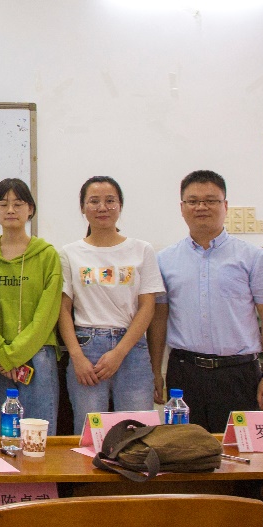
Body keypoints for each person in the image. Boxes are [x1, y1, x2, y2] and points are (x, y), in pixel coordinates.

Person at [147, 170, 263, 432]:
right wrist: (155, 372)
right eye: (193, 201)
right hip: (184, 374)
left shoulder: (254, 258)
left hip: (238, 373)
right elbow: (158, 321)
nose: (201, 207)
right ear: (182, 208)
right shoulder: (164, 260)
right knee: (185, 449)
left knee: (239, 449)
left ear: (225, 205)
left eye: (210, 200)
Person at [58, 176, 163, 434]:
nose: (102, 207)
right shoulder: (69, 253)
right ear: (83, 208)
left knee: (139, 433)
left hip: (132, 348)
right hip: (86, 349)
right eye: (94, 201)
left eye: (110, 201)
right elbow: (63, 310)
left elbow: (148, 307)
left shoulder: (142, 249)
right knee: (90, 433)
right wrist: (77, 356)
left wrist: (119, 352)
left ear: (120, 206)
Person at [0, 179, 62, 436]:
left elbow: (47, 312)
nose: (10, 210)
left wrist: (13, 355)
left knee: (37, 436)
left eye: (18, 204)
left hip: (38, 355)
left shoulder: (47, 255)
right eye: (3, 204)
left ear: (30, 209)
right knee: (1, 437)